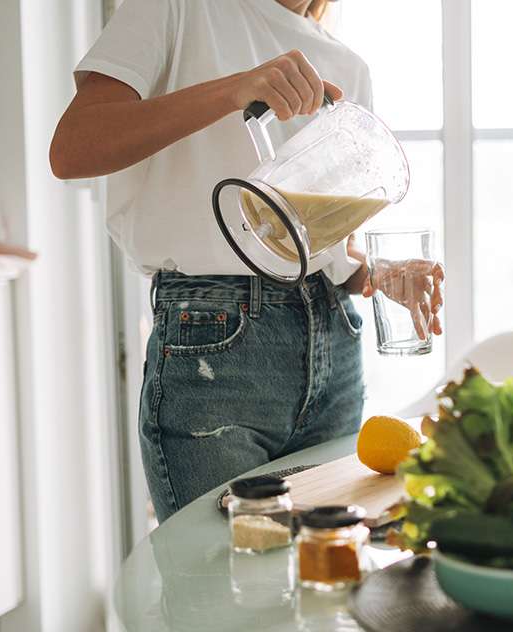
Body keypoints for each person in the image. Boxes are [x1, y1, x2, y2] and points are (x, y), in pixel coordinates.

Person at [50, 0, 443, 523]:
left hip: (333, 344)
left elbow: (323, 247)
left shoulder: (347, 66)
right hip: (214, 341)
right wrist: (235, 89)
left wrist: (379, 274)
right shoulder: (177, 8)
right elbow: (72, 149)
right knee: (223, 583)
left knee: (330, 569)